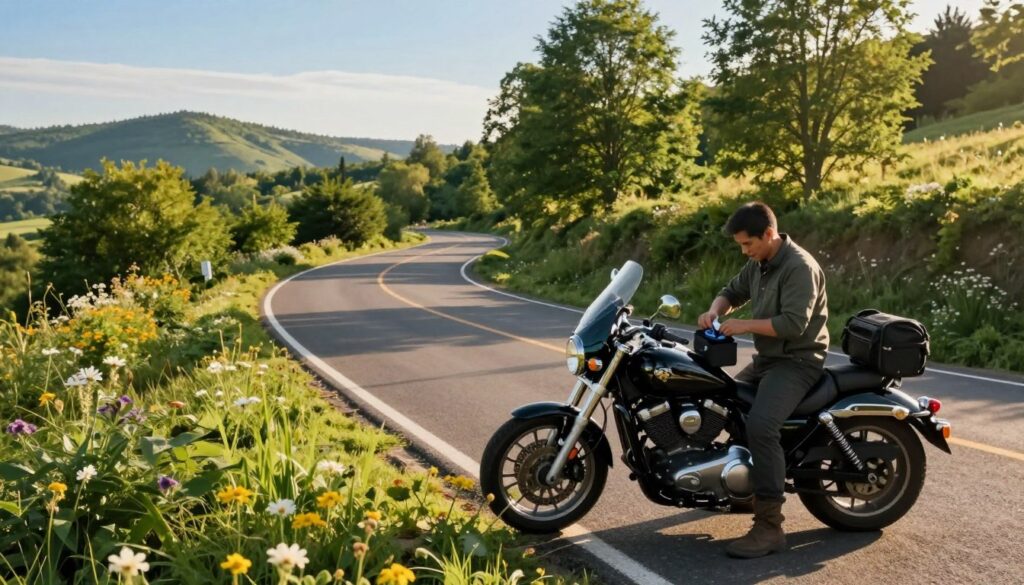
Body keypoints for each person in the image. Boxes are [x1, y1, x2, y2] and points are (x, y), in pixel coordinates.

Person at [697, 201, 829, 559]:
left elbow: (792, 324)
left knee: (761, 426)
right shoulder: (761, 262)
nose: (745, 251)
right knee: (726, 404)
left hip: (797, 361)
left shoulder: (799, 266)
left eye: (747, 244)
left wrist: (742, 326)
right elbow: (732, 291)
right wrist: (714, 310)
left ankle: (770, 528)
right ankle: (744, 492)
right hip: (769, 359)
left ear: (768, 235)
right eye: (741, 245)